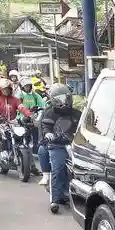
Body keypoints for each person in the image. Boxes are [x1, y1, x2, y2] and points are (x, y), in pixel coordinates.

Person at [38, 83, 81, 212]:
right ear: (53, 100)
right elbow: (46, 126)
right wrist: (49, 134)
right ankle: (55, 200)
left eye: (65, 98)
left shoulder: (76, 113)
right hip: (57, 145)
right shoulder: (50, 113)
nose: (63, 101)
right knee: (58, 168)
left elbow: (84, 126)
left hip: (74, 145)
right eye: (59, 99)